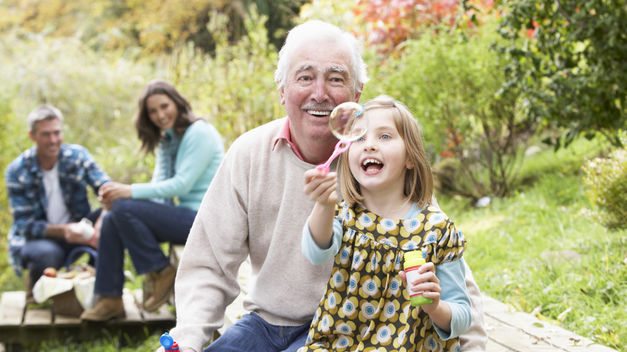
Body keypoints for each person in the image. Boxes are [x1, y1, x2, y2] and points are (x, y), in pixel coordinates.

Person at [168, 20, 487, 352]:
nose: (319, 93)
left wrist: (472, 345)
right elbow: (208, 264)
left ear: (357, 94)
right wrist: (187, 341)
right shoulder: (249, 153)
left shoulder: (381, 168)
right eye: (305, 77)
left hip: (344, 331)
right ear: (281, 90)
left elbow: (445, 263)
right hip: (265, 322)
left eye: (336, 78)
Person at [300, 95, 471, 351]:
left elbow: (463, 317)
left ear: (410, 158)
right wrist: (324, 204)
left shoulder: (437, 230)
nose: (369, 145)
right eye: (359, 137)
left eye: (384, 137)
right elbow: (315, 252)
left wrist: (434, 307)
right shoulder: (345, 216)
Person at [80, 79, 224, 321]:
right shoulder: (168, 140)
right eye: (153, 111)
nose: (160, 115)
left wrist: (127, 192)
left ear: (177, 103)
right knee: (116, 215)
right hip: (186, 216)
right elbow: (159, 188)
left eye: (164, 106)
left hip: (208, 220)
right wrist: (122, 204)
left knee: (123, 205)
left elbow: (182, 185)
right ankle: (110, 298)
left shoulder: (199, 132)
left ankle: (159, 270)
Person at [5, 104, 109, 302]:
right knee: (47, 254)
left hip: (79, 228)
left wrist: (102, 221)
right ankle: (36, 291)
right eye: (45, 134)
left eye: (56, 133)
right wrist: (65, 230)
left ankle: (100, 291)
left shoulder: (77, 157)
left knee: (113, 219)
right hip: (39, 239)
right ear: (32, 136)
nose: (53, 140)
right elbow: (24, 225)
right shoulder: (17, 170)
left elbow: (108, 189)